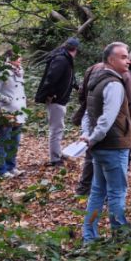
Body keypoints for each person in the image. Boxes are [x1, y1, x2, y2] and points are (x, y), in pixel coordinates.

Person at [81, 42, 131, 243]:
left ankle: (89, 236)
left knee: (97, 192)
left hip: (99, 147)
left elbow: (87, 113)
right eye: (123, 57)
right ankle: (119, 236)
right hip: (113, 146)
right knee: (117, 193)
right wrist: (91, 137)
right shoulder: (113, 84)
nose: (127, 60)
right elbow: (106, 119)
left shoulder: (96, 80)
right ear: (111, 60)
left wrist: (88, 136)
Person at [73, 61, 131, 196]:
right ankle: (108, 199)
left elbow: (83, 94)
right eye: (124, 57)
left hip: (94, 123)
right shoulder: (122, 74)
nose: (127, 61)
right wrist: (128, 124)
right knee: (116, 180)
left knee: (91, 159)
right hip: (116, 131)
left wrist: (88, 128)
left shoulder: (92, 69)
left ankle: (83, 189)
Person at [34, 37, 79, 167]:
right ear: (75, 49)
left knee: (59, 127)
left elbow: (69, 78)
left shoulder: (65, 59)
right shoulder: (61, 59)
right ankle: (55, 158)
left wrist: (77, 87)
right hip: (56, 99)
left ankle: (58, 152)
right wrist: (50, 94)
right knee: (56, 129)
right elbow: (51, 78)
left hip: (60, 99)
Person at [0, 49, 27, 178]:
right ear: (9, 58)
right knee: (4, 140)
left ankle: (11, 166)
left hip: (19, 111)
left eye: (20, 57)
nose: (20, 59)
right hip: (7, 111)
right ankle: (0, 169)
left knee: (15, 141)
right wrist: (6, 100)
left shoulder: (19, 72)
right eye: (17, 57)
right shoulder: (2, 71)